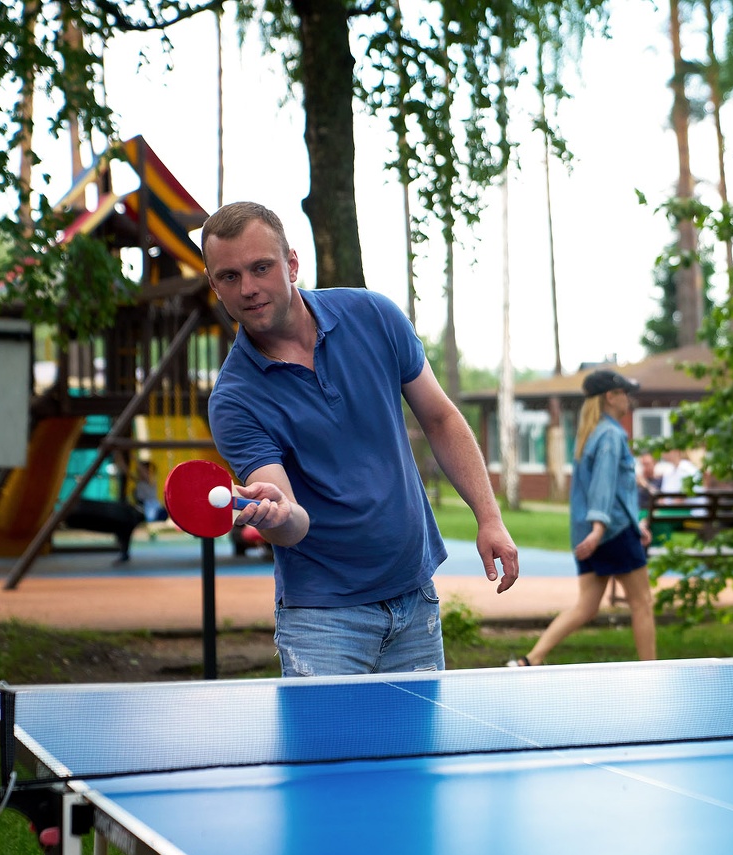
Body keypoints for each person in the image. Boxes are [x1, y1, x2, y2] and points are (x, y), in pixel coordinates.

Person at [201, 201, 519, 677]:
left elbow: (441, 419)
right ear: (215, 286)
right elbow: (294, 523)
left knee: (416, 754)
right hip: (323, 622)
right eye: (229, 276)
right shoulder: (234, 399)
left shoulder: (374, 315)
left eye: (260, 267)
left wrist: (489, 518)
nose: (247, 288)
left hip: (415, 598)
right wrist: (275, 514)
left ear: (291, 263)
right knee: (333, 754)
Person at [509, 369, 655, 666]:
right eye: (625, 393)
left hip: (593, 532)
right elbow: (603, 486)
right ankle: (650, 671)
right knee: (643, 604)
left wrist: (632, 525)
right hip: (610, 531)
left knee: (587, 607)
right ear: (610, 397)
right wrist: (601, 528)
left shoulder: (590, 434)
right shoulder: (612, 434)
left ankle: (532, 658)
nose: (629, 399)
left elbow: (603, 490)